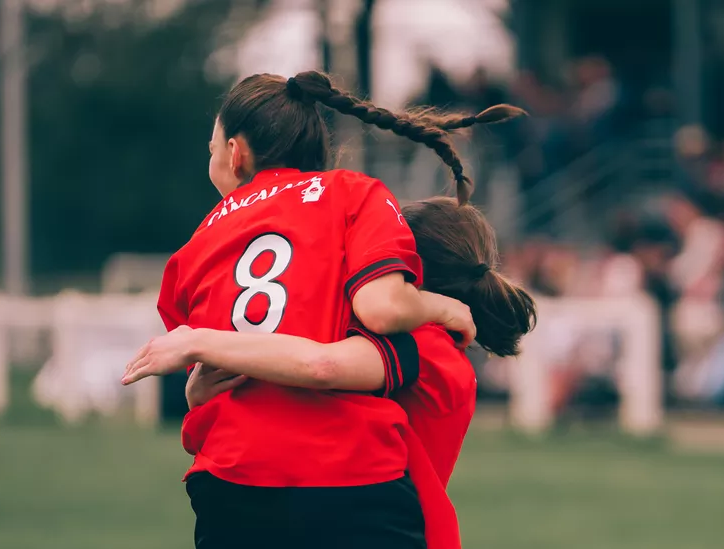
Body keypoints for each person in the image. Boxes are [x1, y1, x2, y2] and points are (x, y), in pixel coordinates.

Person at [123, 70, 524, 549]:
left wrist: (199, 367)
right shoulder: (353, 195)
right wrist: (441, 308)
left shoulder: (193, 249)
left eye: (211, 150)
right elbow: (373, 313)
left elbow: (213, 386)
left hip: (228, 484)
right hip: (347, 480)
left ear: (235, 153)